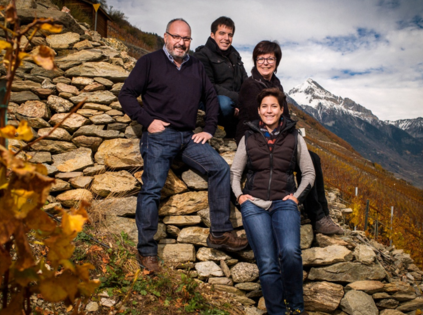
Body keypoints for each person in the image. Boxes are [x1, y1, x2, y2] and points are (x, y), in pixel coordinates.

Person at [118, 18, 248, 273]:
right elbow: (126, 95)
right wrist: (147, 120)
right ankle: (147, 251)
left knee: (220, 169)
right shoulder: (149, 62)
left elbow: (211, 98)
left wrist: (209, 129)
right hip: (160, 135)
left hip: (188, 137)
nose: (181, 42)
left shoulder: (196, 66)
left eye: (186, 38)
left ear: (190, 41)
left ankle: (220, 233)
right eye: (176, 37)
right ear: (166, 37)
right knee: (152, 188)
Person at [236, 40, 343, 236]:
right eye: (261, 58)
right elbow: (257, 121)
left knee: (313, 160)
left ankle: (322, 214)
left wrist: (291, 136)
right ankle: (318, 216)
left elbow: (283, 119)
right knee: (309, 161)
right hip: (256, 141)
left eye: (271, 58)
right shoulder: (250, 86)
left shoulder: (275, 83)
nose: (266, 62)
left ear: (277, 61)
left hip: (276, 138)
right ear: (255, 61)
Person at [231, 87, 313, 315]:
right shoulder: (248, 136)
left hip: (284, 202)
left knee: (289, 252)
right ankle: (277, 312)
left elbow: (309, 173)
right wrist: (240, 197)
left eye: (274, 106)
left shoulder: (294, 136)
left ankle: (296, 308)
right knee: (267, 262)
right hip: (254, 205)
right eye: (264, 106)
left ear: (281, 109)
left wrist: (296, 198)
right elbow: (235, 173)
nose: (269, 111)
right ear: (258, 110)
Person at [194, 16, 247, 137]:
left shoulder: (235, 55)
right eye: (222, 33)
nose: (226, 38)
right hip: (212, 101)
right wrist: (238, 100)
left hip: (236, 102)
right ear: (212, 35)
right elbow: (209, 86)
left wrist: (246, 100)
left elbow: (246, 81)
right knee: (225, 104)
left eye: (230, 35)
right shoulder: (202, 55)